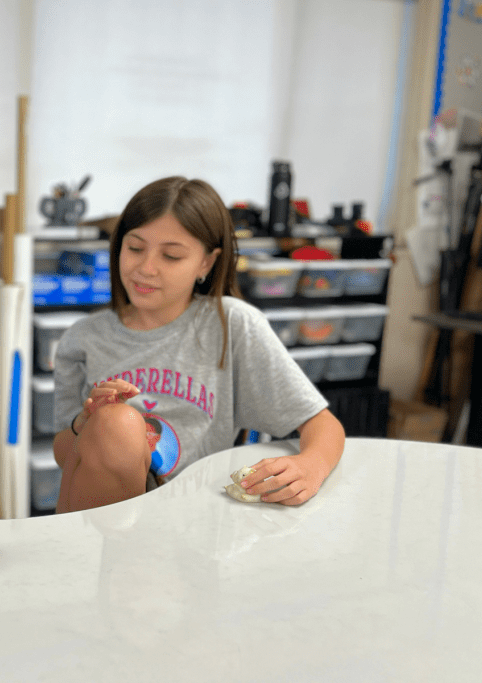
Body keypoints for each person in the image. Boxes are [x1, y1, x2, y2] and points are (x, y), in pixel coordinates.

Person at [52, 176, 344, 513]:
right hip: (101, 519)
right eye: (134, 248)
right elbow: (63, 454)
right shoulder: (83, 337)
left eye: (171, 256)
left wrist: (310, 466)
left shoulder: (232, 324)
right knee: (116, 423)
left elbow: (322, 424)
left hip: (196, 518)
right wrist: (86, 425)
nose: (146, 268)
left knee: (119, 423)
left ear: (206, 262)